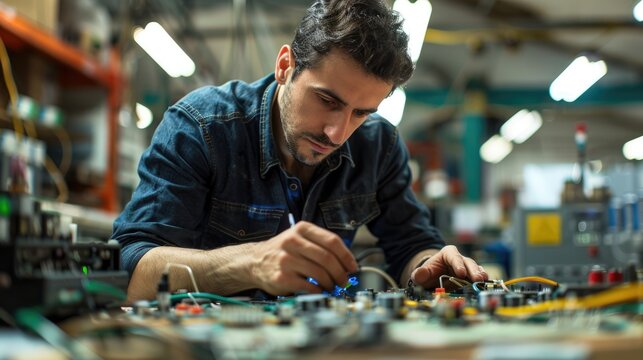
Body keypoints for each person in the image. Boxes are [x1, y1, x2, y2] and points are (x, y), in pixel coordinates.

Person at [113, 0, 488, 301]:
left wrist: (429, 265)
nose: (337, 132)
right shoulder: (200, 128)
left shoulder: (378, 145)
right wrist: (250, 263)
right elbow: (130, 269)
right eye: (327, 100)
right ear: (284, 65)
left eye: (360, 113)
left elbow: (412, 245)